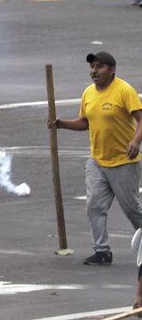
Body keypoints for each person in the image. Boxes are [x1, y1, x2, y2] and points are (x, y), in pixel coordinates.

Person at [50, 52, 142, 266]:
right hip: (98, 161)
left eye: (99, 67)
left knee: (132, 210)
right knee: (94, 206)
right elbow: (86, 122)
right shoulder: (88, 93)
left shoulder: (124, 91)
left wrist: (136, 141)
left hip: (123, 162)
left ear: (111, 69)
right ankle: (102, 251)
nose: (94, 71)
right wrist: (61, 124)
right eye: (92, 67)